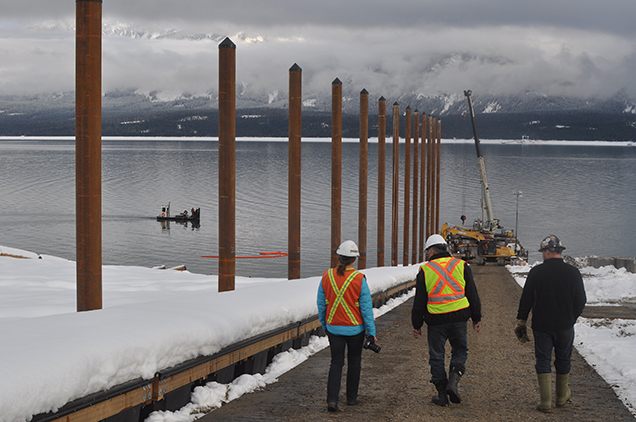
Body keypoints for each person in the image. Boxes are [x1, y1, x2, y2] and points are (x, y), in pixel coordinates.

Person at [515, 234, 586, 413]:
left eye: (543, 251)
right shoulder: (573, 272)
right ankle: (561, 398)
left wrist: (521, 321)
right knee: (563, 360)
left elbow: (527, 299)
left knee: (543, 361)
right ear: (559, 252)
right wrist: (572, 318)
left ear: (547, 251)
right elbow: (581, 300)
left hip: (542, 326)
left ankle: (545, 402)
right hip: (565, 325)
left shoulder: (537, 272)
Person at [412, 234, 482, 406]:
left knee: (437, 355)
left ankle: (442, 394)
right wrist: (476, 317)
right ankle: (454, 380)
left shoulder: (426, 270)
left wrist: (417, 324)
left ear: (432, 250)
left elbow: (419, 301)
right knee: (460, 350)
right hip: (459, 317)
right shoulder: (461, 265)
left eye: (427, 252)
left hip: (436, 320)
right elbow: (472, 293)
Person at [317, 240, 377, 412]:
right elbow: (366, 309)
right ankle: (351, 398)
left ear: (339, 257)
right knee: (354, 362)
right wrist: (371, 333)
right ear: (354, 260)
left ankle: (332, 400)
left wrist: (325, 324)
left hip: (334, 328)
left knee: (336, 363)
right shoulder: (359, 279)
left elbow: (321, 304)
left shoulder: (326, 276)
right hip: (355, 330)